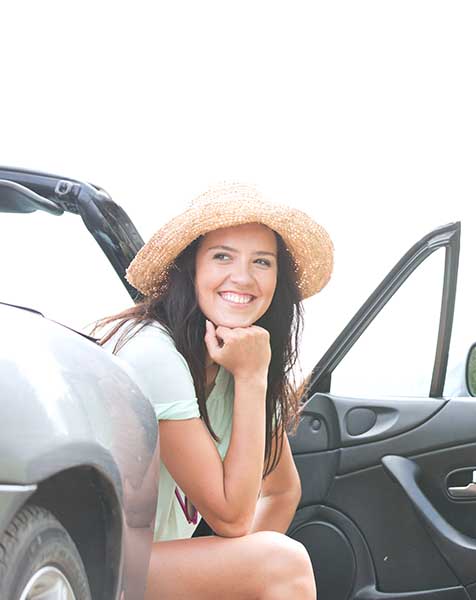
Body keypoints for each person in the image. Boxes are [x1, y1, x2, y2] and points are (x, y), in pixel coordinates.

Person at [94, 182, 332, 600]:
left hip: (146, 566)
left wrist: (234, 578)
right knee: (283, 563)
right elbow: (231, 518)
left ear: (278, 279)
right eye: (223, 256)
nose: (242, 277)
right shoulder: (155, 353)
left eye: (262, 261)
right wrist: (253, 378)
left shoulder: (237, 362)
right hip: (84, 558)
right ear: (193, 268)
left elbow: (281, 490)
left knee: (274, 562)